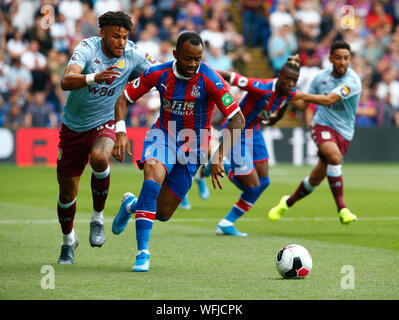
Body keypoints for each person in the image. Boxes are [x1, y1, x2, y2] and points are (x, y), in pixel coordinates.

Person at [111, 31, 245, 272]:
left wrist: (219, 156)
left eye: (198, 59)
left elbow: (238, 120)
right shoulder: (158, 73)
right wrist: (121, 131)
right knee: (152, 177)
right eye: (187, 59)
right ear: (175, 55)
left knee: (162, 212)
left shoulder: (210, 79)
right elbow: (124, 99)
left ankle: (132, 205)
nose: (193, 64)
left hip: (193, 147)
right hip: (163, 135)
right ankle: (143, 253)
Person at [57, 11, 155, 264]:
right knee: (67, 193)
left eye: (124, 37)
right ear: (102, 33)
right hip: (73, 126)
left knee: (101, 158)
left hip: (105, 122)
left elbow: (159, 76)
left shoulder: (133, 54)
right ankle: (68, 241)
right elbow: (66, 81)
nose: (121, 42)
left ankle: (97, 218)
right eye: (115, 37)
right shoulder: (87, 49)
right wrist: (93, 77)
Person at [202, 56, 305, 236]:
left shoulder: (289, 93)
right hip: (236, 132)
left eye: (294, 80)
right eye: (287, 79)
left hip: (254, 133)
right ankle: (221, 165)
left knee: (263, 183)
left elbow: (297, 103)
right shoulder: (261, 87)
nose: (290, 83)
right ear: (279, 76)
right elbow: (232, 76)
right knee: (250, 186)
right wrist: (203, 72)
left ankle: (226, 223)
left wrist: (333, 98)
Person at [267, 40, 362, 225]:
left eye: (346, 58)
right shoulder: (320, 78)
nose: (342, 62)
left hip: (344, 133)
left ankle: (286, 203)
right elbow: (304, 105)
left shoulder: (353, 81)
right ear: (331, 59)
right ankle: (342, 208)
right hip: (322, 126)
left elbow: (329, 100)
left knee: (315, 179)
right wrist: (291, 93)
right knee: (335, 158)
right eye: (339, 58)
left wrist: (297, 94)